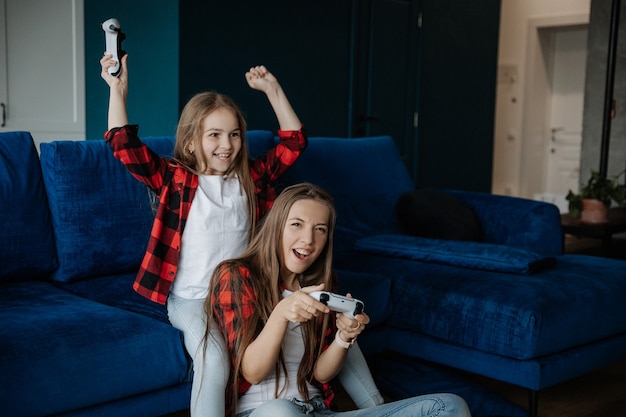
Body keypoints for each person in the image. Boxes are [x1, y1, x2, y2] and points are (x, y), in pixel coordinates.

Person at [100, 54, 382, 416]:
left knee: (336, 328)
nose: (227, 144)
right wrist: (117, 91)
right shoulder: (176, 179)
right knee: (215, 361)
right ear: (190, 142)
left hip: (249, 289)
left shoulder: (251, 178)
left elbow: (294, 142)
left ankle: (381, 408)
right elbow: (124, 146)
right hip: (193, 298)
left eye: (234, 134)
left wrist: (273, 90)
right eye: (214, 135)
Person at [208, 183, 472, 417]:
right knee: (280, 412)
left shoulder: (323, 285)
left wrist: (343, 338)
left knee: (448, 406)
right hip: (265, 411)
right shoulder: (237, 274)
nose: (308, 240)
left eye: (320, 229)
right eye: (296, 224)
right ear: (276, 226)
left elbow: (320, 374)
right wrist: (281, 313)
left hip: (318, 409)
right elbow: (252, 372)